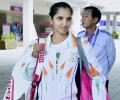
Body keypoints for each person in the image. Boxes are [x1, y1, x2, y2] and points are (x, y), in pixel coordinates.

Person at [27, 2, 80, 100]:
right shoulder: (39, 44)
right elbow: (28, 76)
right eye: (60, 18)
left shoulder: (80, 45)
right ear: (51, 20)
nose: (65, 23)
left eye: (68, 19)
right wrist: (34, 56)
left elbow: (95, 75)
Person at [77, 6, 116, 99]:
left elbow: (111, 59)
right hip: (83, 78)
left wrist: (103, 73)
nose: (82, 19)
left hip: (100, 78)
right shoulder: (80, 35)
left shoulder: (106, 37)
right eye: (82, 16)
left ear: (95, 19)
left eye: (86, 16)